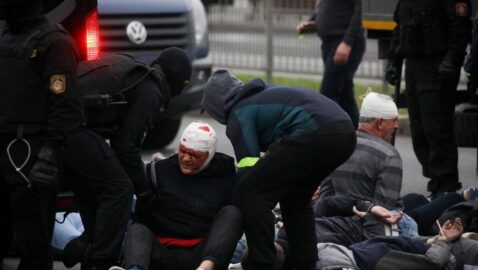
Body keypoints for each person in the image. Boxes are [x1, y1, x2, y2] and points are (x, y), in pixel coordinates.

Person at [202, 69, 356, 270]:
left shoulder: (238, 113)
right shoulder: (263, 94)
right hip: (345, 132)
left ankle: (263, 262)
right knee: (295, 198)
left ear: (215, 106)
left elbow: (248, 171)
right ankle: (304, 263)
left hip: (314, 131)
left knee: (250, 193)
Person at [59, 47, 193, 269]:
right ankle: (101, 261)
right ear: (177, 81)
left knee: (96, 184)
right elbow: (125, 147)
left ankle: (90, 244)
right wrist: (144, 191)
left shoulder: (136, 72)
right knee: (120, 189)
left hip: (63, 121)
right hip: (72, 126)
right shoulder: (152, 92)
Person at [0, 0, 83, 269]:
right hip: (5, 150)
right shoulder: (7, 37)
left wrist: (49, 155)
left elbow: (66, 107)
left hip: (29, 156)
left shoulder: (54, 42)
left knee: (34, 244)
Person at [111, 121, 243, 270]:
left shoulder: (225, 176)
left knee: (232, 214)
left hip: (202, 255)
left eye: (194, 155)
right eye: (183, 151)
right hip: (162, 253)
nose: (186, 158)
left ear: (209, 155)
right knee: (137, 230)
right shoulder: (157, 172)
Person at [385, 0, 472, 197]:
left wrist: (452, 60)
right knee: (420, 130)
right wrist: (394, 61)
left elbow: (461, 28)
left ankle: (446, 185)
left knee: (437, 129)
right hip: (414, 67)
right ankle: (436, 180)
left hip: (437, 68)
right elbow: (400, 28)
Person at [296, 0, 365, 128]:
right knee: (345, 94)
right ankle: (355, 136)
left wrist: (347, 42)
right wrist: (313, 21)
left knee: (327, 94)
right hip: (330, 42)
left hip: (343, 42)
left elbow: (360, 11)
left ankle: (324, 136)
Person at [315, 217, 478, 270]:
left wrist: (444, 241)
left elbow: (431, 263)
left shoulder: (377, 259)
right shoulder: (367, 248)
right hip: (442, 247)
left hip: (455, 255)